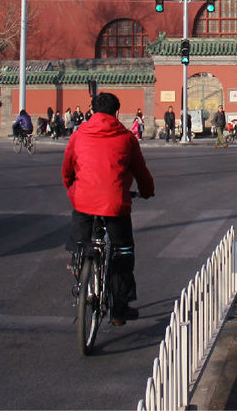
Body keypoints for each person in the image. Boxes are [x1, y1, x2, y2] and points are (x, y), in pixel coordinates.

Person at [62, 92, 155, 326]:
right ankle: (119, 309)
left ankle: (78, 262)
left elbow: (67, 169)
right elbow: (141, 172)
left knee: (81, 240)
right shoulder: (126, 138)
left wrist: (71, 188)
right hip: (115, 204)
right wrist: (146, 191)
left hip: (83, 201)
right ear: (117, 112)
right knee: (123, 252)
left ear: (92, 111)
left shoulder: (78, 134)